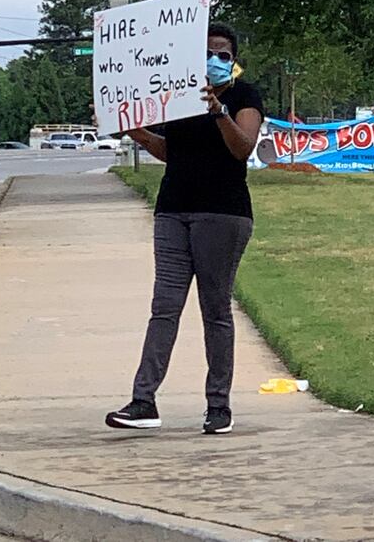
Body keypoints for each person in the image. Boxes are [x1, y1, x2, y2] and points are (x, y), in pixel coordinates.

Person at [105, 22, 264, 434]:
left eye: (224, 55)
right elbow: (171, 150)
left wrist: (219, 113)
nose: (214, 60)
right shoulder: (176, 98)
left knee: (215, 310)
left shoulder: (245, 97)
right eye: (207, 53)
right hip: (173, 209)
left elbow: (242, 148)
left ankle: (218, 406)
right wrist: (134, 131)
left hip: (223, 215)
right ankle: (143, 400)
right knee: (164, 307)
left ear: (234, 61)